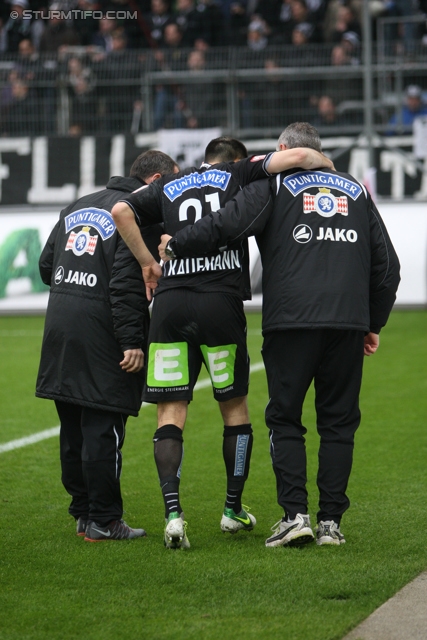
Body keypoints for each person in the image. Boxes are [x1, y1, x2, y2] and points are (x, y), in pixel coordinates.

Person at [157, 122, 401, 548]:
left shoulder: (276, 184)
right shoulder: (356, 191)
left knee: (285, 419)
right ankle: (330, 525)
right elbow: (387, 270)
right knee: (339, 424)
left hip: (290, 322)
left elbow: (227, 223)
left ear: (284, 150)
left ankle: (294, 516)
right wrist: (372, 323)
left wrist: (177, 245)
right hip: (346, 324)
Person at [112, 136, 334, 549]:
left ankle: (174, 516)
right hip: (221, 305)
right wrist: (333, 171)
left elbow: (120, 210)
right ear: (236, 158)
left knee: (171, 410)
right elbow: (301, 156)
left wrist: (147, 263)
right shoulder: (239, 172)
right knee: (233, 408)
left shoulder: (169, 185)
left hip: (170, 305)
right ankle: (232, 508)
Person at [35, 150, 179, 543]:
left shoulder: (77, 206)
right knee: (103, 428)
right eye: (171, 183)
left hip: (60, 330)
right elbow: (128, 283)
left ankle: (82, 512)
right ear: (154, 182)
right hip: (103, 333)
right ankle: (104, 519)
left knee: (73, 427)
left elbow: (47, 267)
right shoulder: (138, 215)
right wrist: (132, 341)